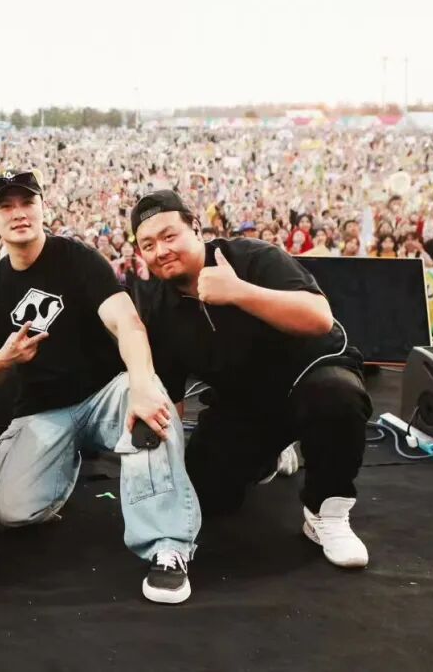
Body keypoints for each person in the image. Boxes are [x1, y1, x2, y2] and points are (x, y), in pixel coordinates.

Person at [0, 170, 201, 604]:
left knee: (149, 407)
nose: (18, 213)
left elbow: (127, 322)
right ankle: (60, 470)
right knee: (8, 511)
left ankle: (167, 546)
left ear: (42, 207)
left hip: (105, 393)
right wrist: (3, 360)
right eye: (6, 206)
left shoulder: (78, 259)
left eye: (27, 202)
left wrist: (142, 384)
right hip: (43, 411)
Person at [131, 190, 371, 569]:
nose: (161, 251)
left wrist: (238, 292)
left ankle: (326, 512)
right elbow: (171, 399)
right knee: (207, 493)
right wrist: (165, 474)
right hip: (246, 403)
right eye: (148, 245)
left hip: (309, 376)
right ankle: (272, 454)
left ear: (196, 228)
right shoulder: (159, 309)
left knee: (336, 397)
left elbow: (319, 317)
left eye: (169, 236)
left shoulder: (253, 257)